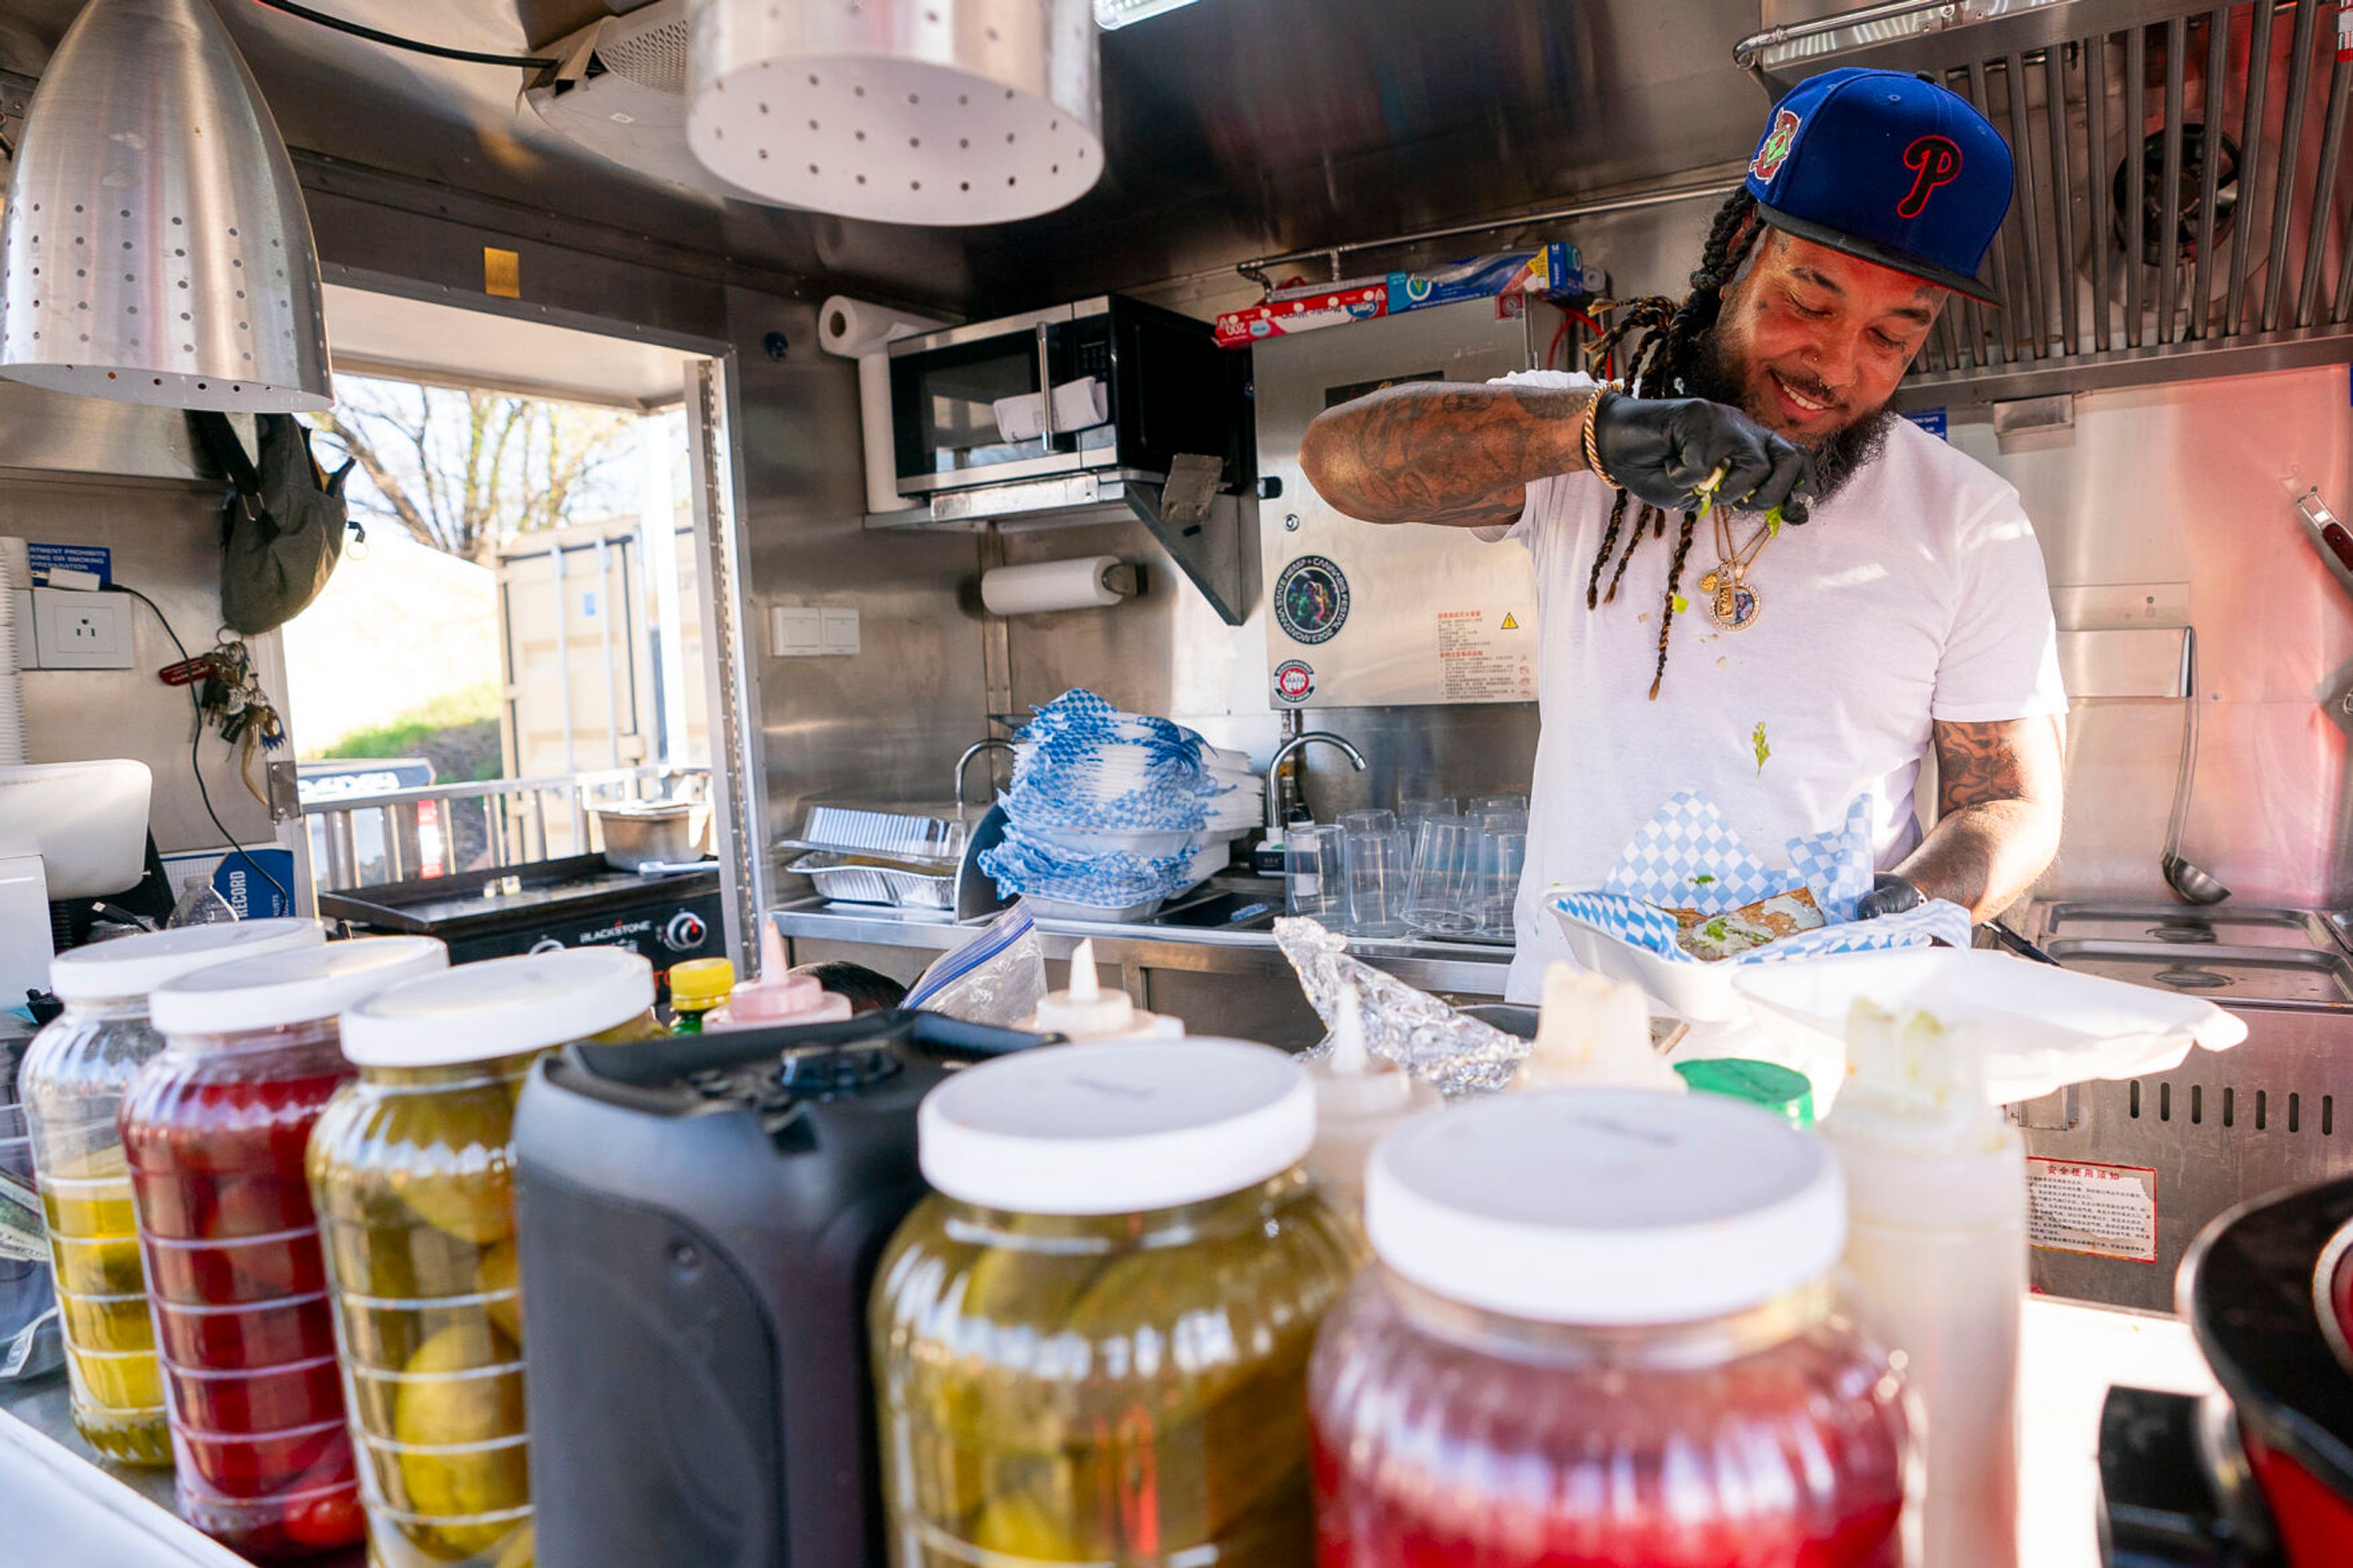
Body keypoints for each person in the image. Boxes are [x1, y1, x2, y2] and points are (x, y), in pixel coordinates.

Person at [1300, 68, 2067, 1003]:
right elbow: (1338, 463)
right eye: (1811, 302)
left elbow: (2008, 801)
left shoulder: (1969, 520)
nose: (1835, 366)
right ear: (1741, 246)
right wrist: (1592, 435)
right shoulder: (1580, 451)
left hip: (1826, 1029)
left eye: (1892, 337)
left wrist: (1896, 910)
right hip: (1584, 1024)